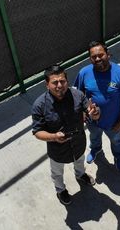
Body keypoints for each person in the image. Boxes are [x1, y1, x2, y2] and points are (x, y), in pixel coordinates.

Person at [31, 65, 100, 205]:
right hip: (57, 151)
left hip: (78, 143)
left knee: (80, 163)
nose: (59, 85)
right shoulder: (39, 105)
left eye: (62, 81)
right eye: (54, 82)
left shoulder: (78, 95)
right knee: (57, 173)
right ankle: (60, 190)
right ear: (47, 84)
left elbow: (90, 110)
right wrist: (54, 137)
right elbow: (37, 132)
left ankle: (80, 175)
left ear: (67, 81)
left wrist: (95, 113)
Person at [74, 41, 120, 172]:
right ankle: (96, 149)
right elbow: (78, 95)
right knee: (94, 137)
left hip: (113, 122)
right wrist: (83, 113)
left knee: (117, 141)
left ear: (108, 55)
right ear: (90, 59)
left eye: (100, 55)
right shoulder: (84, 73)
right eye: (93, 57)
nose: (97, 59)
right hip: (92, 121)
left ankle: (119, 157)